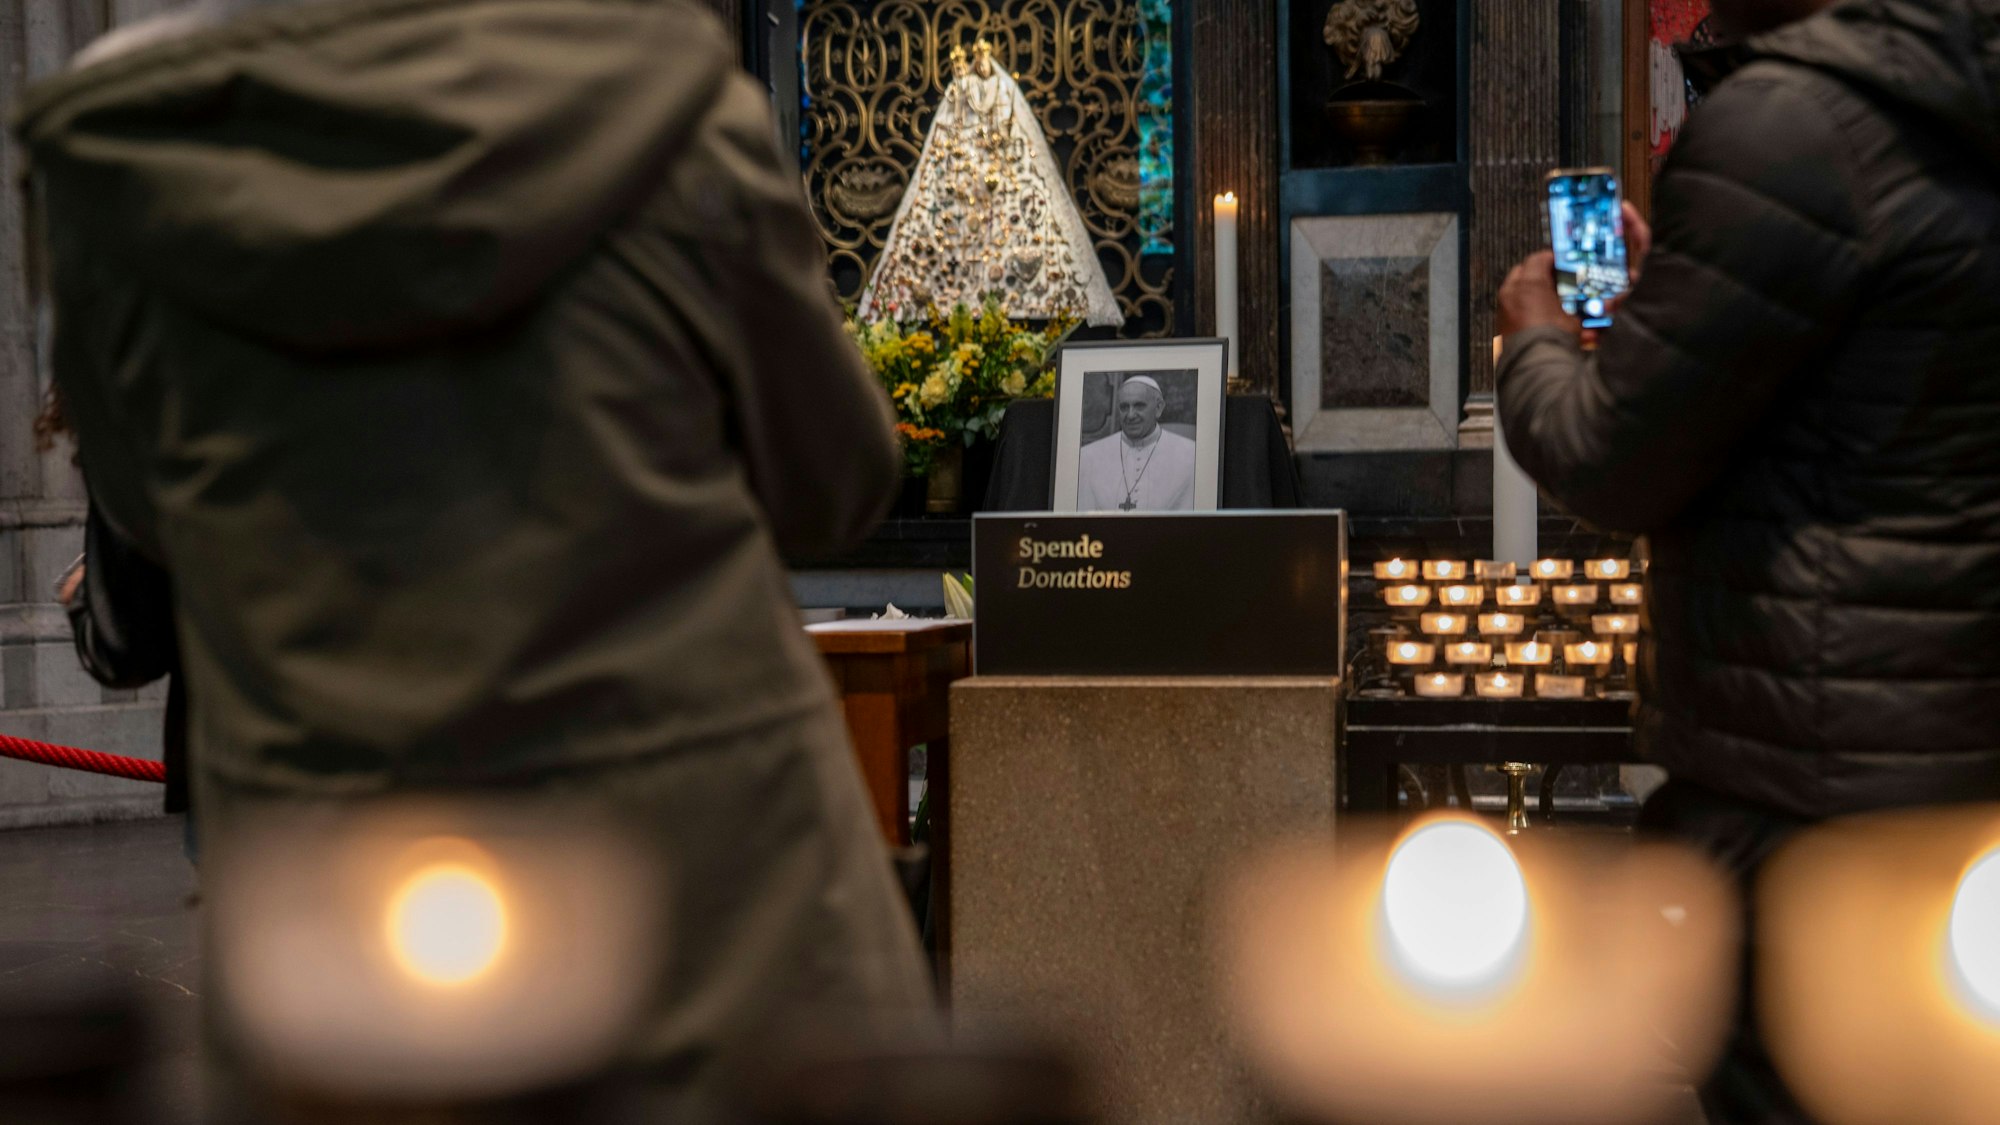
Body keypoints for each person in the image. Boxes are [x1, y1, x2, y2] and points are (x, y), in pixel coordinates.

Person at [16, 0, 930, 1115]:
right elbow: (831, 480)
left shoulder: (119, 164)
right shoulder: (663, 110)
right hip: (708, 849)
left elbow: (143, 551)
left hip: (336, 887)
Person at [1495, 0, 2000, 1119]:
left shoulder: (1789, 126)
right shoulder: (1948, 106)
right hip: (1954, 745)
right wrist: (1690, 289)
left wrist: (1531, 336)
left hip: (1805, 772)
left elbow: (1604, 459)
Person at [1076, 376, 1197, 511]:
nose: (1131, 415)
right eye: (1124, 407)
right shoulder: (1088, 457)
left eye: (1139, 406)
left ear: (1158, 408)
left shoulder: (1191, 455)